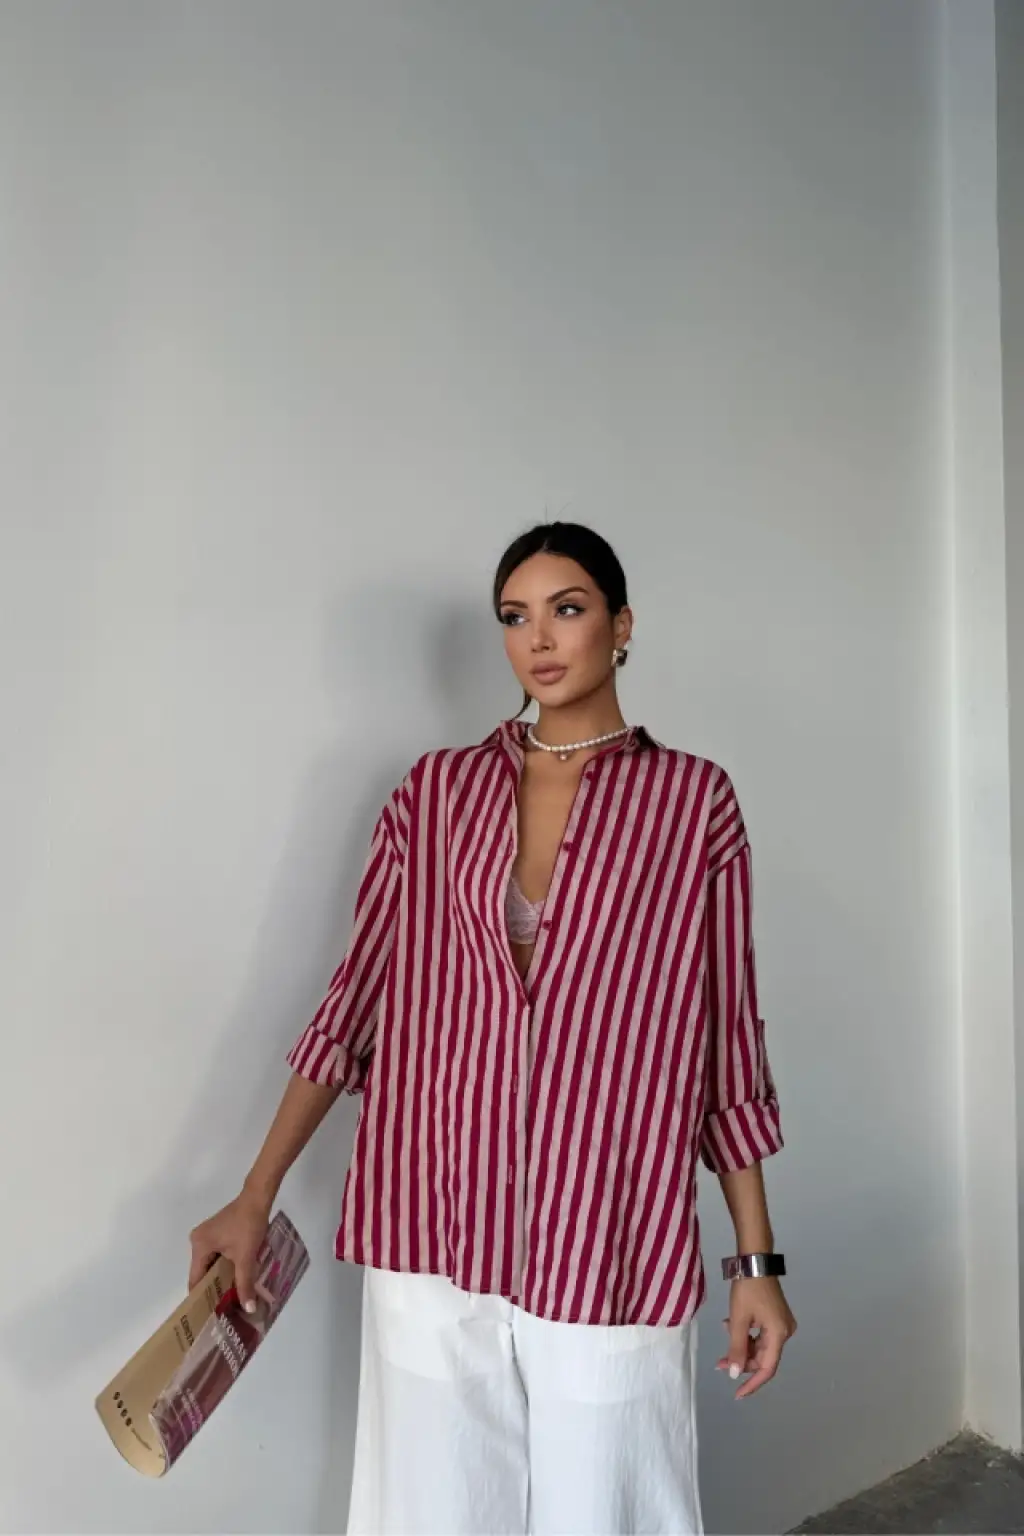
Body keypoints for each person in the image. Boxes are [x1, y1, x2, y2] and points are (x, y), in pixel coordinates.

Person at [189, 521, 795, 1536]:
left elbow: (726, 1044)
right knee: (433, 1512)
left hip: (607, 1227)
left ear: (622, 625)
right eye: (515, 617)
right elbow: (354, 1002)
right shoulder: (435, 794)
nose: (539, 639)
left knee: (608, 1510)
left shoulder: (693, 803)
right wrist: (255, 1196)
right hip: (430, 1220)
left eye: (568, 608)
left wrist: (757, 1265)